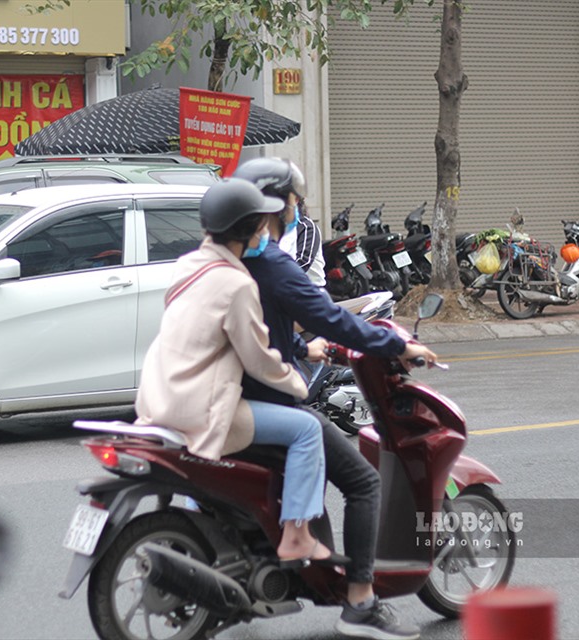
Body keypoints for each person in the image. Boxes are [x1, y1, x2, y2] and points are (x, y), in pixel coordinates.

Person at [234, 157, 436, 640]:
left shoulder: (222, 259)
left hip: (230, 391)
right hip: (263, 398)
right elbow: (333, 319)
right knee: (364, 483)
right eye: (292, 200)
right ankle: (361, 602)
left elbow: (256, 333)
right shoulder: (272, 263)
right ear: (275, 206)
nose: (296, 208)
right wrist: (397, 345)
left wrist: (302, 346)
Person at [135, 178, 348, 565]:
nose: (266, 230)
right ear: (249, 230)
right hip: (199, 405)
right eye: (260, 224)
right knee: (306, 428)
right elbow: (259, 358)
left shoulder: (188, 266)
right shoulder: (237, 283)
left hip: (157, 399)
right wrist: (298, 386)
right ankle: (297, 534)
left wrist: (299, 348)